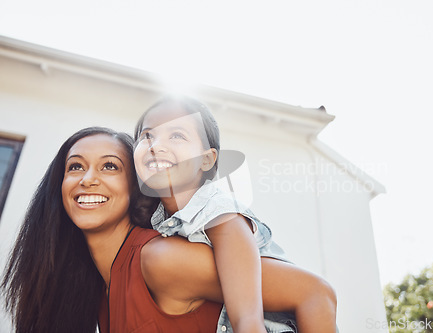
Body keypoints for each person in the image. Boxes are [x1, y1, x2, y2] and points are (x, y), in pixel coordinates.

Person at [1, 127, 337, 333]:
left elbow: (315, 292)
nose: (88, 178)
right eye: (75, 166)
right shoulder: (98, 294)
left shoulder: (159, 260)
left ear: (135, 186)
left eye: (109, 166)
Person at [133, 95, 337, 333]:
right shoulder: (157, 221)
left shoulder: (220, 213)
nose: (156, 145)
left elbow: (247, 321)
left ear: (206, 160)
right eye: (147, 136)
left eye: (177, 135)